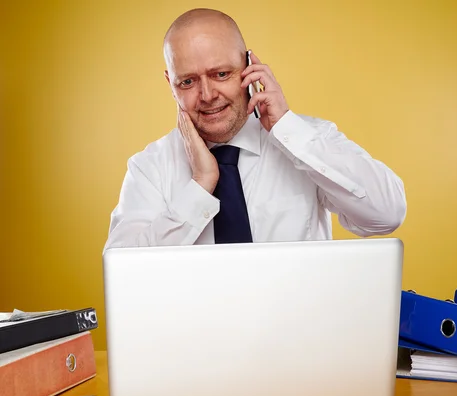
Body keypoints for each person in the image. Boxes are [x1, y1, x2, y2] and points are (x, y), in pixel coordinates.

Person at [103, 8, 407, 251]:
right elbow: (124, 273)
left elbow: (386, 215)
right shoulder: (149, 168)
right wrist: (200, 185)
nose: (207, 95)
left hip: (298, 327)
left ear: (248, 66)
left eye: (221, 73)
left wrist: (288, 129)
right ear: (171, 85)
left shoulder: (307, 141)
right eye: (188, 82)